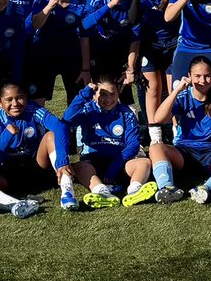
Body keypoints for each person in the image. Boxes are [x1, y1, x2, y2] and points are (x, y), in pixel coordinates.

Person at [148, 56, 211, 204]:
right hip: (185, 152)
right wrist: (176, 90)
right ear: (189, 76)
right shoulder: (183, 95)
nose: (203, 81)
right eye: (197, 76)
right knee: (156, 148)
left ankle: (206, 189)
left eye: (207, 76)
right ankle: (167, 188)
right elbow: (158, 118)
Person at [62, 75, 157, 209]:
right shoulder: (88, 110)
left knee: (144, 163)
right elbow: (67, 119)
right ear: (94, 95)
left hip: (119, 162)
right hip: (93, 161)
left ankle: (134, 191)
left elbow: (133, 144)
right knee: (80, 167)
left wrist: (114, 167)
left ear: (118, 93)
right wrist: (84, 94)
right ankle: (102, 192)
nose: (108, 100)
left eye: (112, 94)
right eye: (103, 95)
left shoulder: (126, 113)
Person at [0, 81, 69, 211]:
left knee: (51, 136)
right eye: (9, 100)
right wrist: (6, 138)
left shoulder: (33, 109)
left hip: (37, 167)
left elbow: (60, 126)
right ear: (0, 102)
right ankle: (14, 203)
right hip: (8, 174)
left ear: (26, 97)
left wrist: (62, 161)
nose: (15, 104)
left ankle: (67, 191)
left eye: (19, 98)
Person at [26, 0, 92, 107]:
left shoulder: (83, 1)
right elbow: (35, 25)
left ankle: (74, 130)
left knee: (77, 100)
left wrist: (86, 68)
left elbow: (84, 37)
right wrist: (50, 6)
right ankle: (39, 129)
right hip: (44, 55)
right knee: (38, 99)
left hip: (72, 57)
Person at [128, 0, 178, 143]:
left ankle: (176, 131)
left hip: (173, 48)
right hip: (151, 49)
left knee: (174, 90)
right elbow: (132, 19)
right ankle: (155, 135)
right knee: (153, 91)